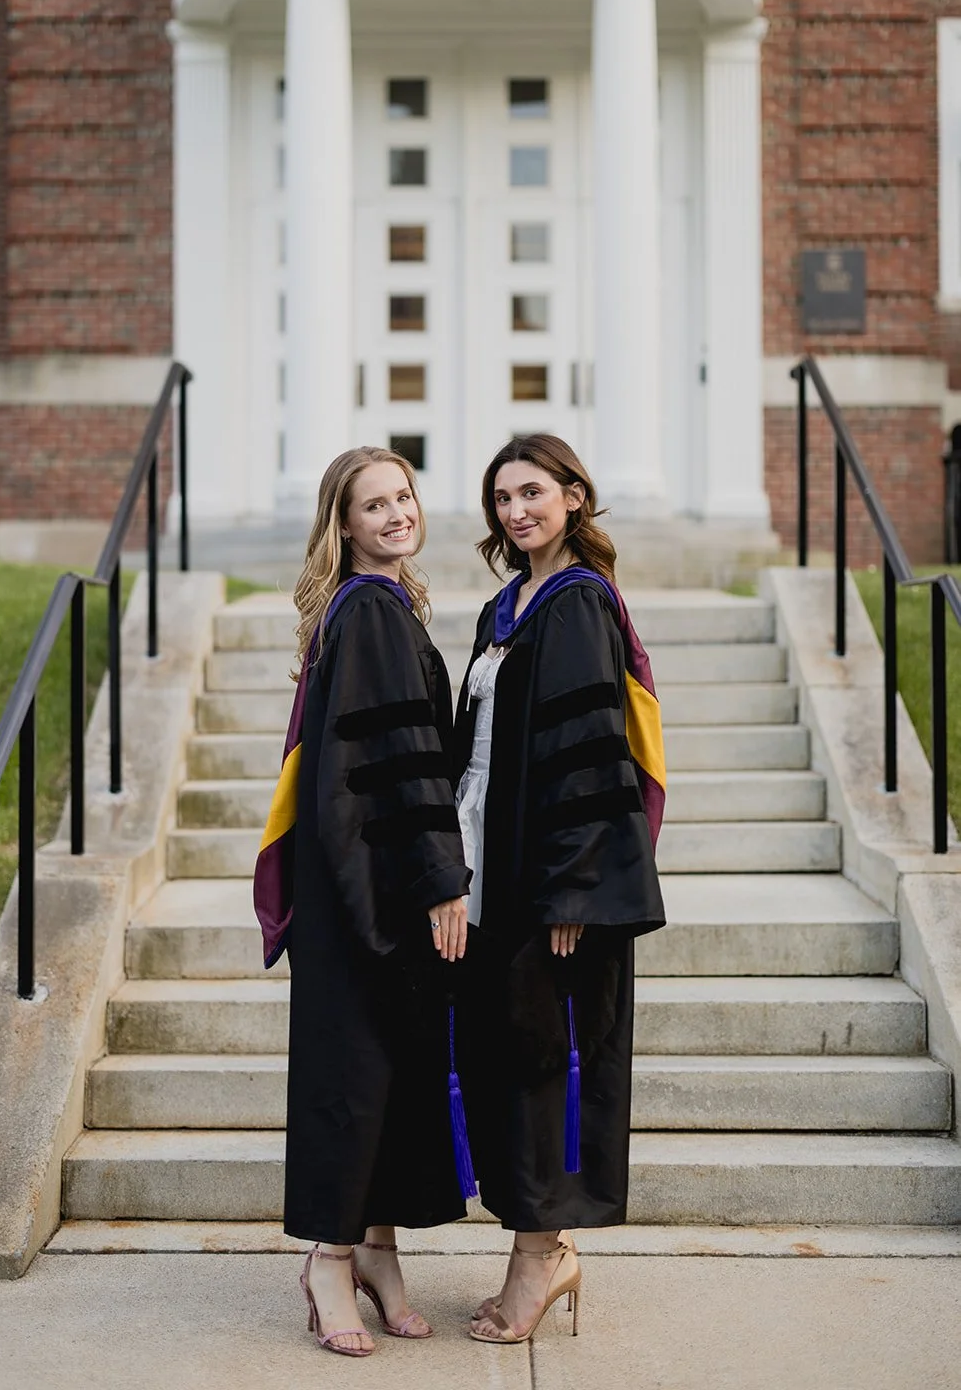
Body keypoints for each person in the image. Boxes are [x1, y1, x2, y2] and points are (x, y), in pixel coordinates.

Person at [255, 446, 472, 1358]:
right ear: (342, 525)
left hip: (362, 884)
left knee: (392, 1070)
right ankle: (330, 1260)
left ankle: (378, 1253)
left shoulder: (375, 607)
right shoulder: (374, 612)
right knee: (357, 1076)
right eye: (372, 505)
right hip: (370, 894)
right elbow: (399, 768)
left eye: (404, 497)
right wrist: (440, 881)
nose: (394, 514)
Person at [452, 433, 666, 1346]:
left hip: (552, 894)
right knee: (507, 1067)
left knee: (544, 1068)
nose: (516, 511)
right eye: (502, 498)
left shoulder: (576, 604)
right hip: (494, 882)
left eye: (532, 492)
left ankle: (543, 1256)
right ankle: (533, 1249)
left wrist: (573, 892)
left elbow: (589, 757)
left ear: (575, 496)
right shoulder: (508, 604)